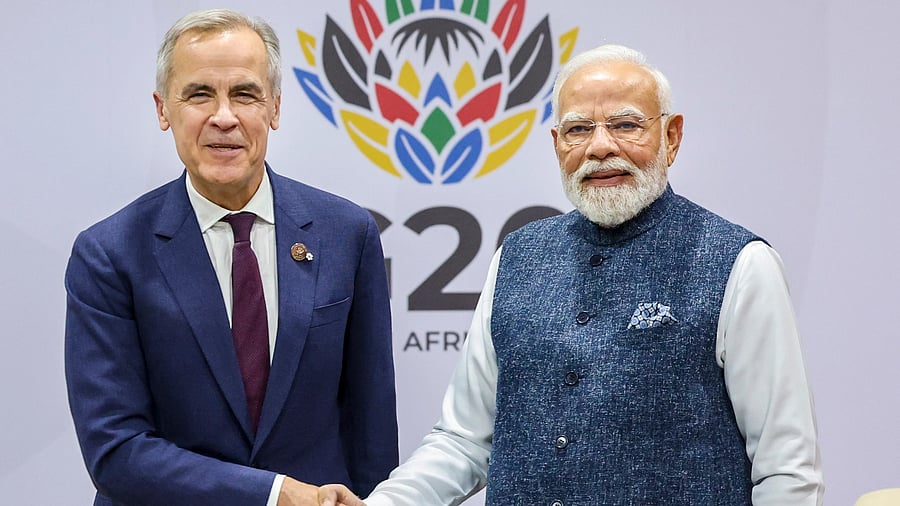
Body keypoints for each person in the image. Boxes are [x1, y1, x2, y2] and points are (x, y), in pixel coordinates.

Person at [360, 44, 824, 505]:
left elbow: (785, 469)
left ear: (672, 137)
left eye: (626, 125)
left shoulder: (740, 263)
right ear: (557, 143)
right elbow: (464, 440)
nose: (600, 147)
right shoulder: (516, 256)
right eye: (578, 129)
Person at [64, 9, 397, 506]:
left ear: (275, 108)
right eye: (199, 94)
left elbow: (371, 429)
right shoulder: (109, 255)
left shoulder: (346, 233)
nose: (224, 116)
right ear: (163, 110)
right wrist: (273, 494)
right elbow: (115, 449)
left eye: (244, 94)